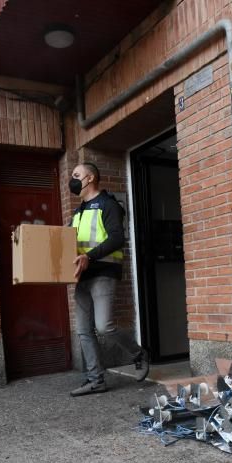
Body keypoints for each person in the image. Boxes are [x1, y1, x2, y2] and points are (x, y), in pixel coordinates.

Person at [68, 162, 149, 396]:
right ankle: (96, 380)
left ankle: (138, 353)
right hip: (82, 275)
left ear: (90, 178)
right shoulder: (78, 212)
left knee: (104, 327)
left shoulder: (108, 205)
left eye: (76, 175)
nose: (72, 180)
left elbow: (116, 239)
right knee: (83, 330)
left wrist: (89, 257)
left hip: (103, 272)